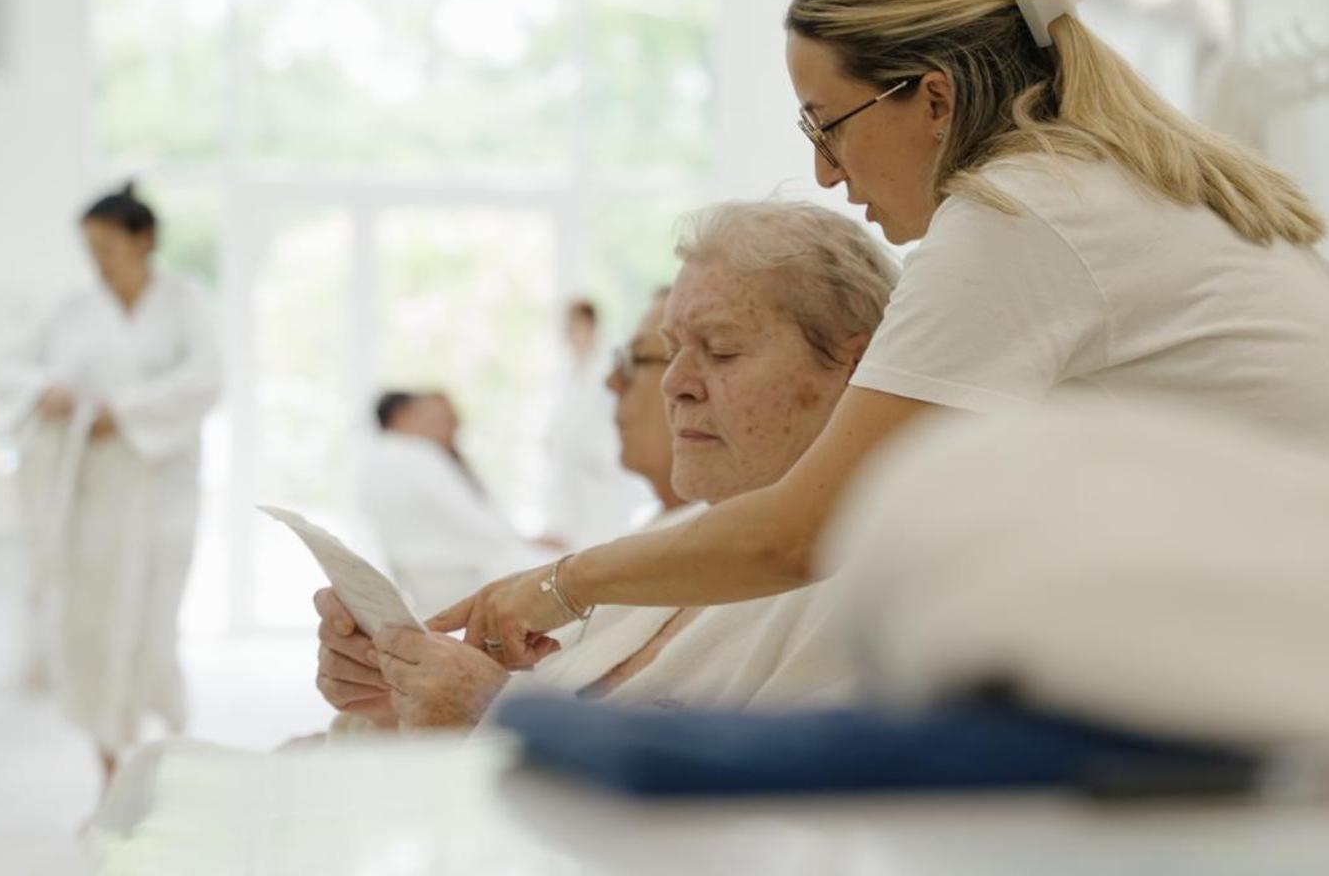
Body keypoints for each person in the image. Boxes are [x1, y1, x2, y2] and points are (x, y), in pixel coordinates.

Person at [433, 0, 1329, 665]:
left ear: (930, 97)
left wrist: (565, 584)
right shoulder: (1113, 185)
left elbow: (798, 533)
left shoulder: (1022, 217)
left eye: (823, 124)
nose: (828, 173)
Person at [311, 202, 895, 727]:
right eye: (669, 353)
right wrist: (399, 688)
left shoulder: (874, 588)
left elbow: (760, 806)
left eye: (720, 350)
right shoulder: (667, 540)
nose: (675, 384)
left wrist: (488, 710)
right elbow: (534, 693)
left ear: (856, 366)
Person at [0, 183, 220, 786]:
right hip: (93, 498)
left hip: (161, 489)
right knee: (92, 626)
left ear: (144, 241)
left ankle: (153, 755)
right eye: (89, 249)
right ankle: (110, 769)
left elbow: (206, 379)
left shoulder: (184, 301)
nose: (98, 261)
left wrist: (124, 412)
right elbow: (9, 373)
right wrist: (47, 392)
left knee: (152, 624)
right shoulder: (71, 309)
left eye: (108, 247)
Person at [360, 389, 553, 609]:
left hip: (420, 577)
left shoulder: (376, 458)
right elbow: (474, 520)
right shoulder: (421, 455)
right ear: (402, 416)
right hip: (460, 573)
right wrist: (527, 540)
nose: (454, 427)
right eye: (441, 419)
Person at [542, 297, 652, 549]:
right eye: (566, 329)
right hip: (573, 474)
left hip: (601, 472)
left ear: (589, 326)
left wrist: (594, 454)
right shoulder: (568, 371)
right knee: (572, 541)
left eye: (574, 328)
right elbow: (564, 420)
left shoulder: (607, 368)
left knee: (601, 540)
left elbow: (613, 418)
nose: (569, 336)